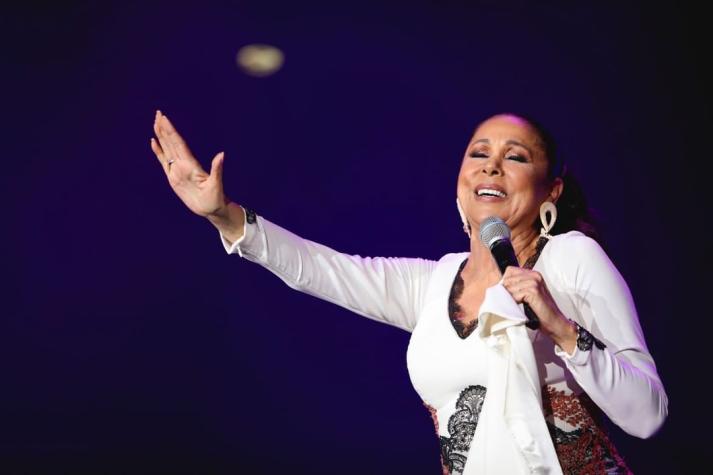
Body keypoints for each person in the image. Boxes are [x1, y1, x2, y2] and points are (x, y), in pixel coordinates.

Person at [150, 110, 668, 474]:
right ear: (460, 179)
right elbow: (321, 269)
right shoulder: (434, 282)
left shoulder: (571, 258)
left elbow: (648, 414)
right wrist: (224, 215)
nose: (491, 165)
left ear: (550, 190)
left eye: (516, 157)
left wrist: (561, 329)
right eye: (479, 153)